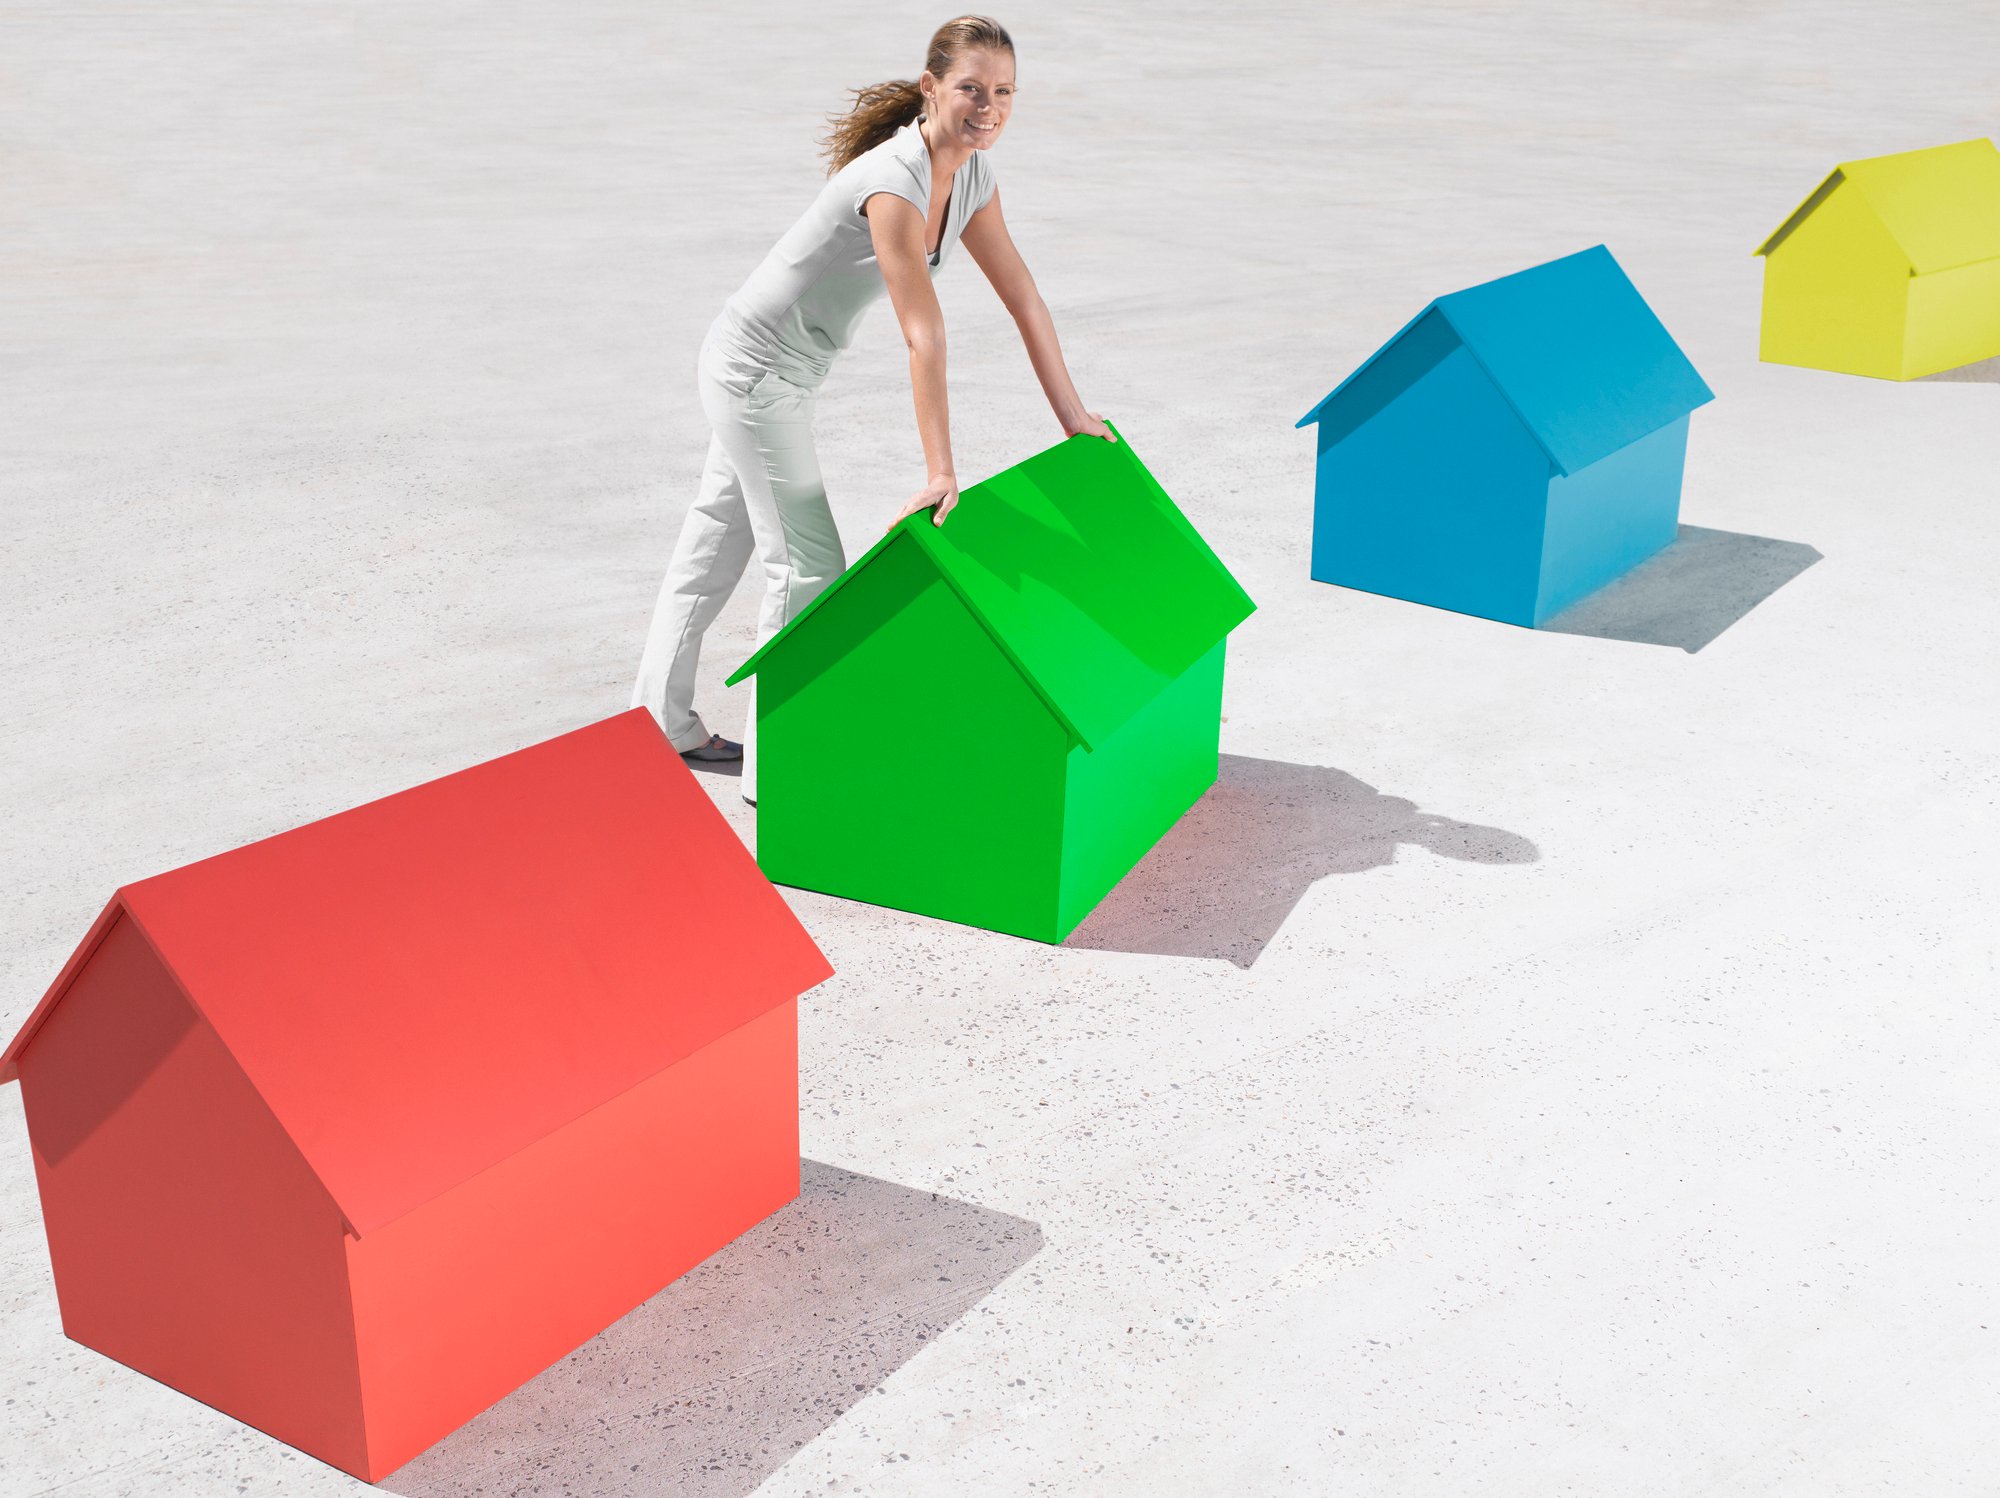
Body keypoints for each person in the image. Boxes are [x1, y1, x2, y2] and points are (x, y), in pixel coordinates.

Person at [630, 14, 1113, 799]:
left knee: (718, 543)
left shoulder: (974, 177)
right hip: (754, 374)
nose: (987, 107)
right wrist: (939, 471)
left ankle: (659, 725)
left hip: (780, 375)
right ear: (930, 88)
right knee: (809, 565)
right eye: (970, 89)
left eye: (1003, 93)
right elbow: (923, 335)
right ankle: (782, 767)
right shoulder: (893, 184)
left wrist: (1073, 418)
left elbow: (1023, 297)